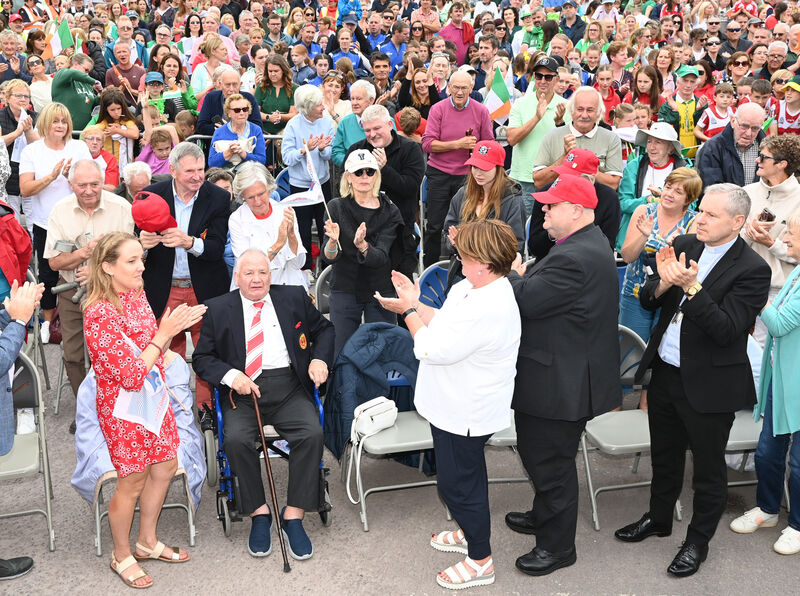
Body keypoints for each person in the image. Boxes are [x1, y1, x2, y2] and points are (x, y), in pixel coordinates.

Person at [615, 184, 771, 577]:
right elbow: (649, 299)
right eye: (700, 210)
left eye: (711, 215)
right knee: (665, 456)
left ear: (737, 223)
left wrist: (690, 286)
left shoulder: (753, 270)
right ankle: (658, 518)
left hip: (711, 384)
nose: (700, 218)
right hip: (666, 372)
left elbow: (728, 329)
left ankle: (697, 542)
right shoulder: (686, 243)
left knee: (707, 470)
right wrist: (666, 282)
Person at [374, 219, 521, 590]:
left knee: (459, 485)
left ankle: (480, 559)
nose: (457, 255)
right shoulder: (473, 286)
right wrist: (416, 304)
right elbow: (442, 322)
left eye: (465, 253)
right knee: (464, 478)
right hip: (451, 404)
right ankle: (469, 530)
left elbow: (429, 348)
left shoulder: (490, 305)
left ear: (484, 264)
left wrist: (407, 312)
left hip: (466, 411)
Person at [505, 174, 621, 576]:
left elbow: (525, 301)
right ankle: (544, 515)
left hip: (559, 383)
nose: (543, 211)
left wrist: (514, 275)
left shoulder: (573, 256)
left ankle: (557, 547)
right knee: (542, 459)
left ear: (576, 210)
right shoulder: (588, 243)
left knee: (549, 464)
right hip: (560, 373)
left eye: (551, 205)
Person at [192, 248, 334, 561]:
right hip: (242, 391)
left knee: (311, 433)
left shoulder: (294, 297)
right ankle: (259, 512)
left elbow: (324, 329)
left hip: (289, 387)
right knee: (236, 439)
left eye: (263, 273)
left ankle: (293, 514)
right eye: (249, 273)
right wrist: (231, 376)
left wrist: (320, 359)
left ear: (271, 275)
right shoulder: (217, 308)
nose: (257, 279)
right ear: (237, 276)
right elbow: (202, 359)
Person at [84, 232, 205, 588]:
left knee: (165, 465)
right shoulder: (98, 313)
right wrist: (164, 334)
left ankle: (147, 541)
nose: (141, 267)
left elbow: (150, 350)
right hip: (125, 409)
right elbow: (131, 375)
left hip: (153, 398)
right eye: (132, 261)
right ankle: (121, 555)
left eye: (142, 259)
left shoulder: (136, 295)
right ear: (107, 267)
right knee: (132, 481)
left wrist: (169, 332)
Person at [139, 142, 231, 411]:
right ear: (173, 170)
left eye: (201, 170)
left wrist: (190, 242)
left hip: (204, 288)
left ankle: (207, 412)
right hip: (164, 288)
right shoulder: (151, 195)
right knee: (165, 353)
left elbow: (216, 248)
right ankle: (169, 410)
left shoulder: (218, 197)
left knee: (208, 354)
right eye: (190, 170)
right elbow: (137, 251)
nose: (197, 176)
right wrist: (142, 242)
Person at [729, 210, 800, 555]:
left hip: (798, 386)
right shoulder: (798, 271)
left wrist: (752, 294)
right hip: (783, 379)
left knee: (799, 462)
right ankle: (769, 509)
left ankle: (798, 526)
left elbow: (780, 324)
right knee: (768, 452)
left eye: (793, 235)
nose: (786, 240)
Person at [44, 160, 134, 433]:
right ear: (70, 185)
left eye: (94, 184)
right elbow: (54, 263)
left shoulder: (122, 209)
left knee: (114, 353)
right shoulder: (60, 211)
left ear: (103, 181)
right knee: (73, 354)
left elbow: (133, 256)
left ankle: (117, 409)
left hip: (114, 291)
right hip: (71, 290)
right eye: (81, 185)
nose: (88, 190)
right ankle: (89, 408)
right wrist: (85, 254)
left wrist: (97, 269)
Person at [19, 103, 92, 344]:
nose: (60, 125)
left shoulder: (79, 146)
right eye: (55, 121)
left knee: (85, 273)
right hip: (45, 224)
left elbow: (91, 181)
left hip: (81, 222)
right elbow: (25, 189)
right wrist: (52, 176)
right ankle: (49, 323)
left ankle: (87, 320)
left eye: (64, 121)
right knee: (49, 276)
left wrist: (73, 178)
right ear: (45, 123)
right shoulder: (32, 151)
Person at [322, 149, 403, 356]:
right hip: (345, 286)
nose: (365, 177)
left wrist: (362, 246)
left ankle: (381, 390)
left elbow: (382, 256)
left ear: (377, 175)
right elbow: (329, 256)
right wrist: (332, 241)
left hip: (380, 287)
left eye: (370, 171)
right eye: (358, 172)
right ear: (348, 176)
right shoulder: (335, 207)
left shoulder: (390, 210)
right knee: (341, 352)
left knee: (382, 351)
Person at [421, 70, 493, 267]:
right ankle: (429, 269)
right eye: (456, 88)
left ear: (471, 88)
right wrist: (458, 144)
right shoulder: (438, 109)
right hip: (439, 173)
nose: (460, 92)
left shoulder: (481, 111)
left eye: (464, 88)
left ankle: (465, 267)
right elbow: (427, 144)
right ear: (448, 89)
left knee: (468, 225)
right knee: (435, 226)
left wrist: (477, 149)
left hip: (468, 176)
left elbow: (489, 145)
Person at [346, 104, 426, 278]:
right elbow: (346, 190)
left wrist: (384, 168)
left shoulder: (410, 149)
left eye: (377, 128)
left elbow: (410, 187)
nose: (372, 134)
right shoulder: (356, 151)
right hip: (366, 234)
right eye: (367, 130)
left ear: (390, 125)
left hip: (400, 234)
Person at [742, 134, 800, 344]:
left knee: (765, 353)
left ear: (782, 164)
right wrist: (749, 233)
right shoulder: (747, 192)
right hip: (743, 284)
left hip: (779, 290)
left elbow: (798, 255)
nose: (757, 160)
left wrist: (771, 244)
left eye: (763, 157)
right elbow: (730, 243)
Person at [443, 140, 525, 289]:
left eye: (485, 168)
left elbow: (515, 245)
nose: (478, 173)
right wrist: (455, 244)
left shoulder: (512, 199)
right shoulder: (463, 194)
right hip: (463, 271)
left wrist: (468, 245)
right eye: (474, 167)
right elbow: (447, 230)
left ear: (499, 168)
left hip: (495, 275)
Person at [528, 148, 621, 260]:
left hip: (586, 266)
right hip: (548, 262)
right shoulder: (546, 193)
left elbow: (607, 248)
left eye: (572, 176)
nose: (565, 179)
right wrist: (553, 232)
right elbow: (534, 247)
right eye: (563, 174)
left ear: (591, 178)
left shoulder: (608, 198)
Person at [507, 56, 570, 216]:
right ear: (533, 77)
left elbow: (570, 147)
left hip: (553, 179)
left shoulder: (566, 106)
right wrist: (536, 118)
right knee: (521, 229)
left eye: (548, 77)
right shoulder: (521, 103)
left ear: (556, 79)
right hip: (523, 178)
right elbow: (512, 139)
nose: (543, 80)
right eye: (539, 76)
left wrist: (559, 123)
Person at [282, 84, 335, 272]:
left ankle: (329, 269)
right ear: (307, 108)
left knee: (325, 227)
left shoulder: (326, 121)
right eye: (319, 105)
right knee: (302, 230)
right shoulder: (293, 125)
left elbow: (330, 153)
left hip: (322, 183)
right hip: (300, 186)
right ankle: (305, 269)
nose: (323, 108)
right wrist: (305, 150)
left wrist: (321, 149)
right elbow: (287, 157)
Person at [229, 161, 306, 288]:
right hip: (253, 289)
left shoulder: (285, 211)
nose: (257, 201)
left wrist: (292, 235)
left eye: (261, 194)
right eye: (250, 197)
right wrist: (279, 244)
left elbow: (298, 263)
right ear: (242, 196)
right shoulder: (237, 219)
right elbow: (249, 267)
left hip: (289, 286)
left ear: (269, 189)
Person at [532, 87, 624, 192]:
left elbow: (613, 184)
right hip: (559, 205)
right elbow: (539, 182)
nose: (584, 115)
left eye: (590, 110)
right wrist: (565, 159)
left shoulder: (611, 139)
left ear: (599, 113)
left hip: (596, 204)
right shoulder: (552, 136)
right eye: (580, 109)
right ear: (571, 111)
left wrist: (582, 166)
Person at [617, 123, 689, 251]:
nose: (651, 147)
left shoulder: (683, 169)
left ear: (670, 148)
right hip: (637, 233)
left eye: (658, 142)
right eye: (649, 141)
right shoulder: (634, 166)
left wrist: (664, 196)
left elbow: (691, 204)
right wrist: (647, 200)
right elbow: (624, 203)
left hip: (672, 236)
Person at [696, 102, 766, 188]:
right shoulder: (713, 148)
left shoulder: (768, 149)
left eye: (755, 128)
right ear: (733, 121)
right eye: (744, 126)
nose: (748, 133)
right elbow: (711, 188)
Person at [0, 79, 39, 230]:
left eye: (26, 96)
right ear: (8, 97)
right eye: (18, 96)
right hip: (8, 178)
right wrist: (17, 133)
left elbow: (40, 146)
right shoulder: (1, 115)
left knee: (33, 222)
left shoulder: (35, 116)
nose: (23, 100)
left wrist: (28, 131)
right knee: (11, 224)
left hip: (31, 176)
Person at [197, 69, 263, 138]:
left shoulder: (249, 98)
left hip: (243, 144)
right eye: (228, 85)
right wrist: (222, 130)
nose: (231, 89)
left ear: (240, 84)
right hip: (217, 144)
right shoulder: (211, 97)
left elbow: (258, 126)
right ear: (220, 84)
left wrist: (231, 129)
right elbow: (201, 126)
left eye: (235, 85)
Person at [209, 93, 268, 169]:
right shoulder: (219, 132)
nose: (242, 113)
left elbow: (262, 161)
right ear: (229, 113)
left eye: (245, 109)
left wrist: (243, 154)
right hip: (226, 176)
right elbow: (212, 163)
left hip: (250, 174)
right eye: (237, 110)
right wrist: (229, 152)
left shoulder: (256, 130)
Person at [51, 53, 102, 131]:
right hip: (65, 132)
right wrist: (94, 82)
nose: (87, 74)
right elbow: (72, 73)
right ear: (76, 64)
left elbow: (92, 104)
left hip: (84, 133)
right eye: (86, 70)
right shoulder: (61, 74)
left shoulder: (86, 83)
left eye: (89, 72)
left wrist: (100, 96)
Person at [331, 79, 376, 167]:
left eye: (359, 99)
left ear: (371, 100)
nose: (354, 103)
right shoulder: (344, 123)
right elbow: (336, 152)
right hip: (351, 174)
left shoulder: (385, 120)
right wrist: (352, 164)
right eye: (352, 99)